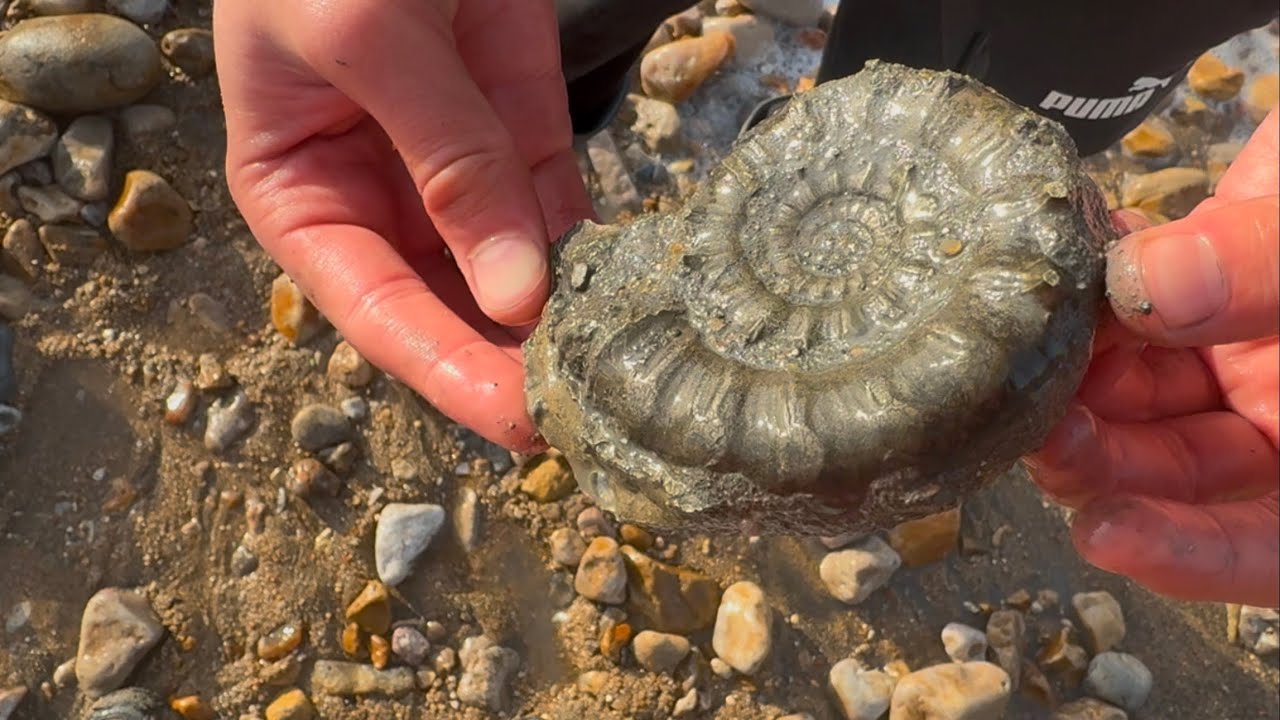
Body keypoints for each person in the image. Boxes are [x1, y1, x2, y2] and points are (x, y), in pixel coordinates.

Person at [212, 0, 1280, 607]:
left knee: (1011, 51)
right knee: (533, 20)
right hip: (830, 199)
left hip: (974, 138)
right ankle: (569, 79)